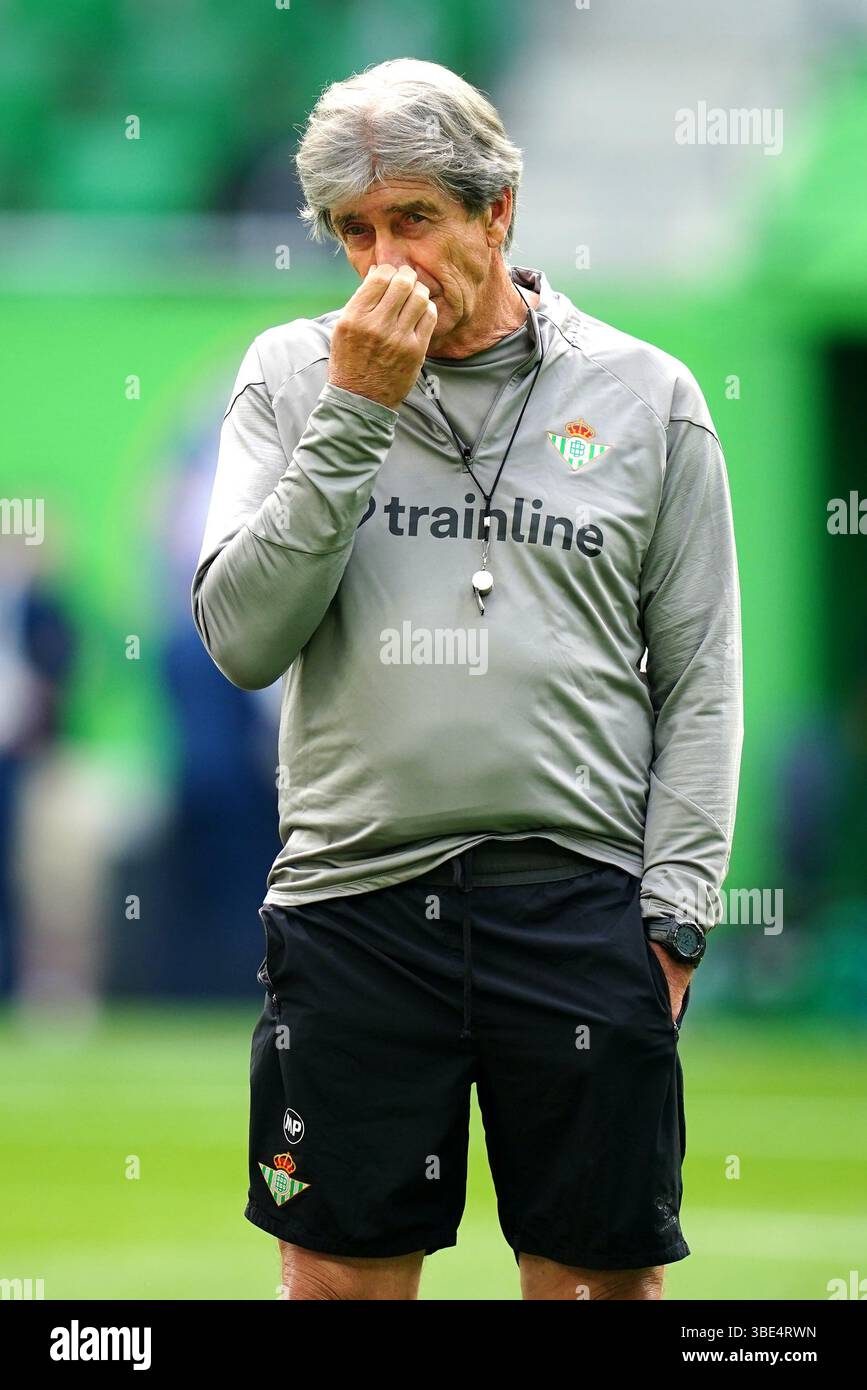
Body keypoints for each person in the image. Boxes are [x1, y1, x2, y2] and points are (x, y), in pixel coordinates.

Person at [191, 58, 743, 1300]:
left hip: (579, 906)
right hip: (353, 901)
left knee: (597, 1286)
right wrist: (355, 412)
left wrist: (676, 916)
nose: (386, 262)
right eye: (355, 232)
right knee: (334, 1284)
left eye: (416, 220)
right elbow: (239, 640)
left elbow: (702, 678)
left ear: (499, 212)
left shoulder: (649, 397)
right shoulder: (292, 377)